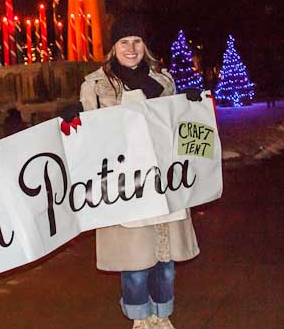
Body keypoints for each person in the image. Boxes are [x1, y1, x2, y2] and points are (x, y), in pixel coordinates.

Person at [63, 17, 200, 329]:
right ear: (113, 47)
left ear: (145, 46)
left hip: (163, 183)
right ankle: (140, 317)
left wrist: (190, 105)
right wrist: (76, 117)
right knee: (135, 263)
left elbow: (176, 128)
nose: (131, 48)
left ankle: (161, 314)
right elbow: (90, 136)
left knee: (165, 262)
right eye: (124, 41)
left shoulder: (163, 83)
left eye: (137, 41)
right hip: (125, 186)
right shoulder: (96, 86)